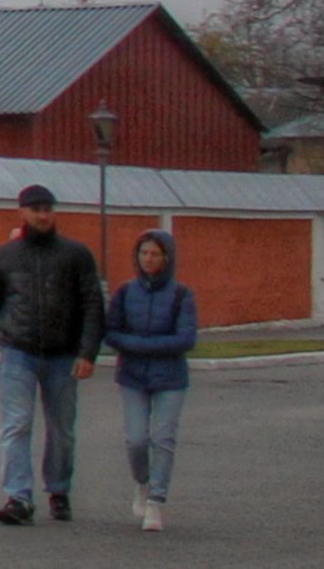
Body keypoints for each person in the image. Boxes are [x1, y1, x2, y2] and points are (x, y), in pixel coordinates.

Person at [0, 183, 104, 525]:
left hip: (63, 355)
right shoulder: (4, 256)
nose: (43, 215)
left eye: (48, 209)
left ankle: (59, 490)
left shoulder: (75, 255)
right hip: (19, 352)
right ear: (22, 212)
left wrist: (88, 352)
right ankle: (19, 497)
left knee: (61, 428)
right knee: (16, 424)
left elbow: (92, 304)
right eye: (36, 209)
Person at [105, 228, 198, 533]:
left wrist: (142, 345)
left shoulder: (181, 295)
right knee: (136, 440)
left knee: (163, 439)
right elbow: (111, 331)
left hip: (170, 379)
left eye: (155, 254)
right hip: (133, 377)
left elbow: (185, 338)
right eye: (143, 253)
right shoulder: (125, 292)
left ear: (166, 258)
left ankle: (156, 501)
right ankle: (142, 484)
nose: (148, 258)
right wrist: (135, 345)